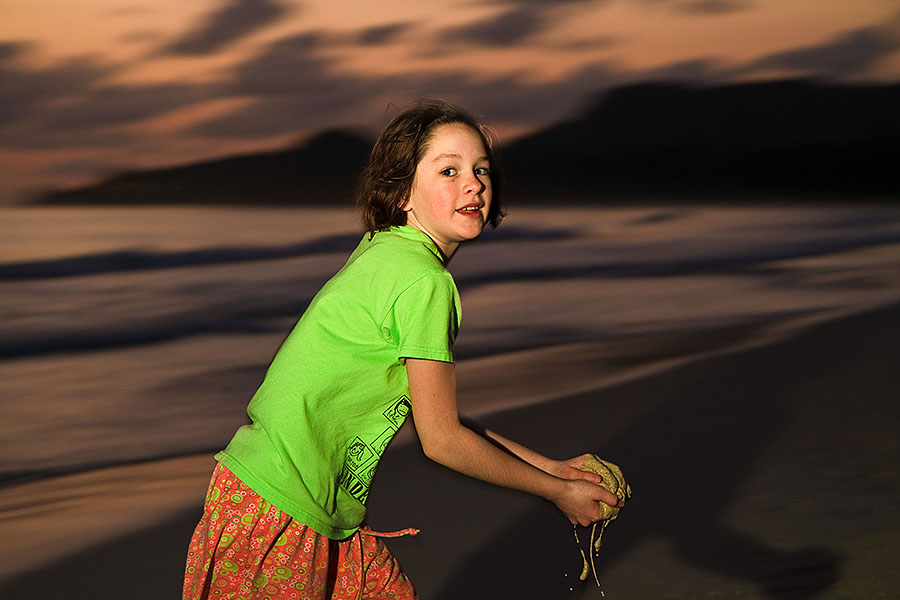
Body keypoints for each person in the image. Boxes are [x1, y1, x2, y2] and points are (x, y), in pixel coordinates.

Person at [183, 100, 624, 599]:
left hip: (295, 502)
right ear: (400, 192)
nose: (474, 183)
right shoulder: (424, 282)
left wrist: (554, 467)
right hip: (281, 509)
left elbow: (432, 412)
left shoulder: (385, 248)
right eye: (449, 170)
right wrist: (558, 492)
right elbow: (441, 439)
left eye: (480, 169)